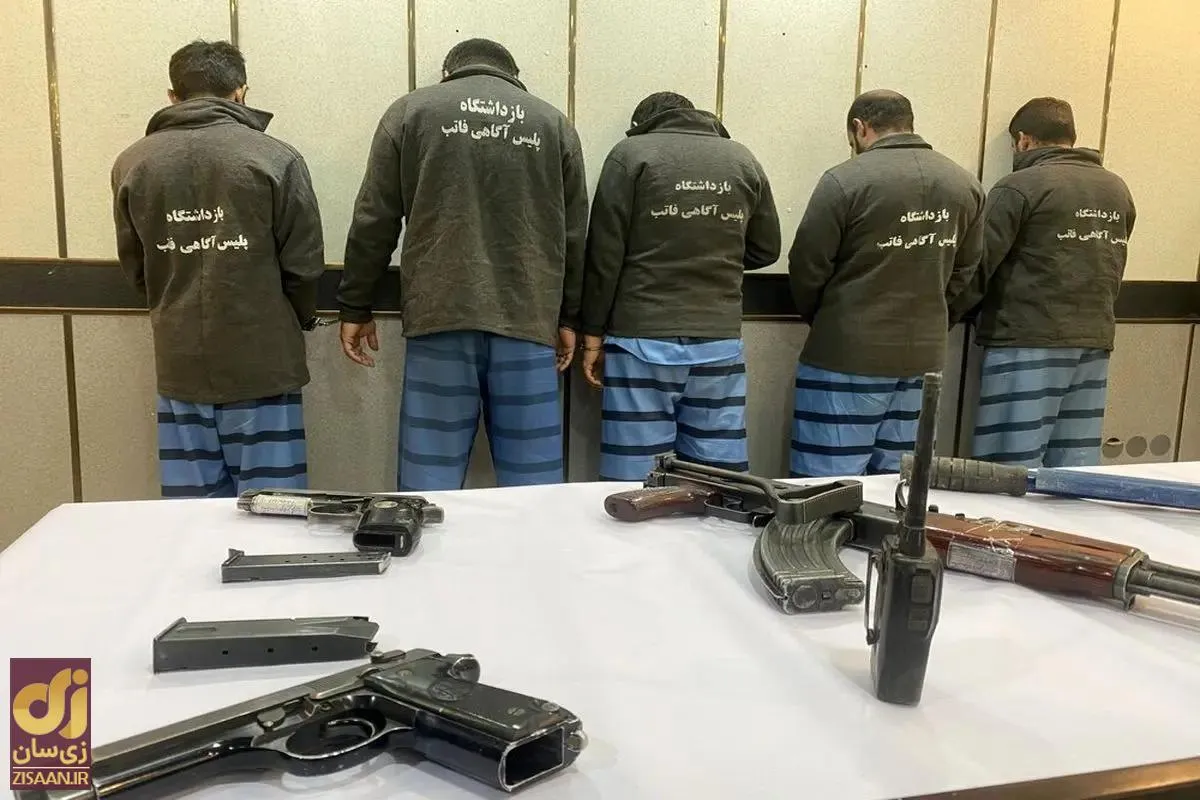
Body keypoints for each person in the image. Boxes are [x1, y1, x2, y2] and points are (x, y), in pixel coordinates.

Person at [338, 39, 587, 491]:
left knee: (428, 482)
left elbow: (374, 219)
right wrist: (569, 316)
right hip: (528, 322)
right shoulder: (552, 123)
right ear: (514, 75)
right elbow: (573, 234)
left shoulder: (410, 113)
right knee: (534, 487)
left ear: (446, 73)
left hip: (440, 317)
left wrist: (356, 305)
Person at [111, 40, 325, 498]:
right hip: (264, 363)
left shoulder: (132, 163)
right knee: (272, 512)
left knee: (191, 516)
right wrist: (299, 318)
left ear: (173, 96)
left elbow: (136, 268)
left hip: (179, 363)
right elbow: (304, 266)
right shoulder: (276, 158)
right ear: (240, 92)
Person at [579, 92, 780, 480]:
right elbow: (766, 248)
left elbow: (604, 256)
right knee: (719, 481)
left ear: (641, 126)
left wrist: (592, 337)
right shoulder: (742, 159)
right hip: (719, 343)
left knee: (637, 480)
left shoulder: (630, 155)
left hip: (641, 341)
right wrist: (713, 257)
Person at [788, 90, 984, 478]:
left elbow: (807, 264)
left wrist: (828, 319)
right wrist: (935, 315)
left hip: (845, 354)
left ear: (860, 128)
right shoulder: (964, 184)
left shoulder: (844, 181)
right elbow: (966, 268)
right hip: (925, 360)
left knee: (828, 482)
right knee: (901, 481)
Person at [949, 98, 1135, 467]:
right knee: (1074, 470)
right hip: (1094, 342)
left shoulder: (1020, 187)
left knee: (1009, 470)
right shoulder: (1116, 189)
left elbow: (979, 264)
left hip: (1026, 341)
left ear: (1024, 140)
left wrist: (944, 316)